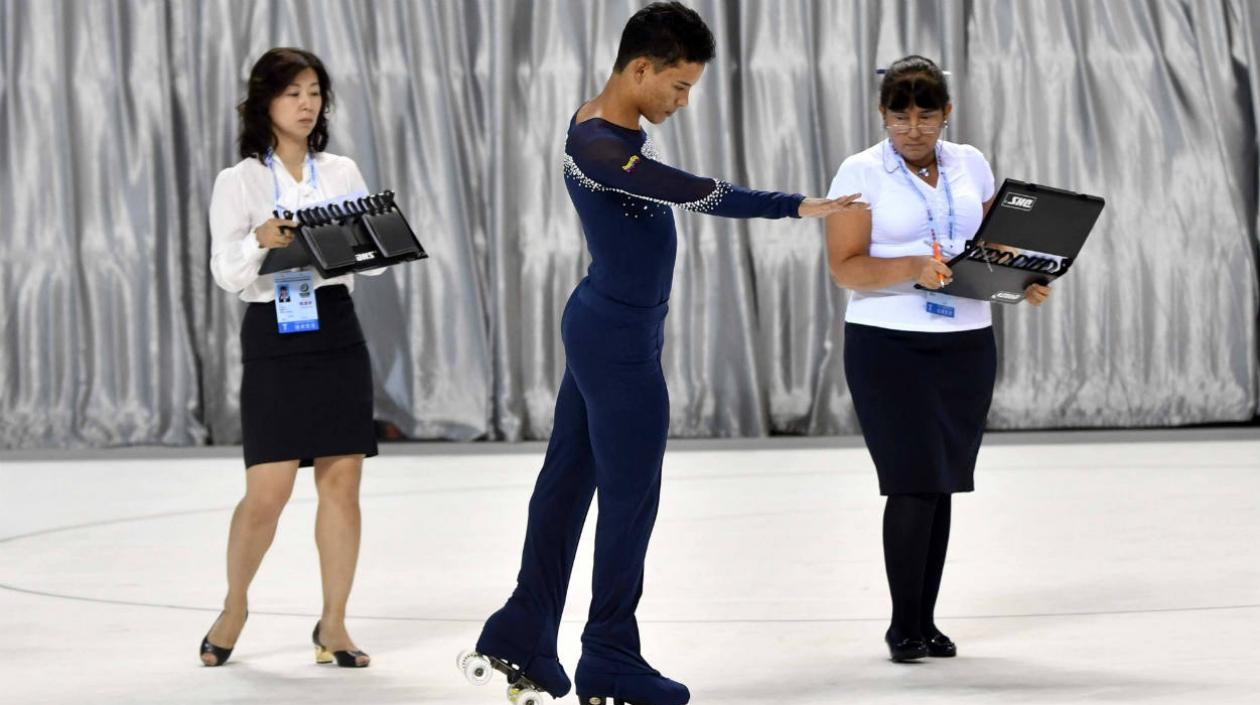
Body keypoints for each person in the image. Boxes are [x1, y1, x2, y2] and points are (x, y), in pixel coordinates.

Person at [461, 4, 865, 705]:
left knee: (568, 484)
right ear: (640, 68)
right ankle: (610, 654)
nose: (683, 102)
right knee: (629, 497)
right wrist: (796, 205)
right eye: (678, 87)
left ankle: (523, 629)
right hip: (614, 341)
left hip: (610, 326)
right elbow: (692, 191)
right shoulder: (597, 145)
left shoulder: (609, 126)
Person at [823, 55, 1051, 662]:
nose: (914, 129)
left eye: (927, 116)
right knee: (911, 480)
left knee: (942, 482)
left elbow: (988, 248)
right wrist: (912, 269)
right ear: (883, 114)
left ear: (947, 113)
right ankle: (903, 626)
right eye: (900, 117)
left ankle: (926, 620)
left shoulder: (971, 163)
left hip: (966, 342)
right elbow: (845, 266)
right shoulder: (859, 171)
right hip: (887, 343)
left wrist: (1023, 277)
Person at [200, 47, 383, 669]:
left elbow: (374, 254)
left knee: (343, 486)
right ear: (265, 104)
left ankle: (333, 625)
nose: (307, 104)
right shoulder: (241, 180)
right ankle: (234, 605)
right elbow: (225, 273)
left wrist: (357, 242)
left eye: (314, 92)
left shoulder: (341, 171)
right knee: (267, 493)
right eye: (293, 93)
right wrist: (259, 239)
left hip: (335, 327)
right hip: (275, 329)